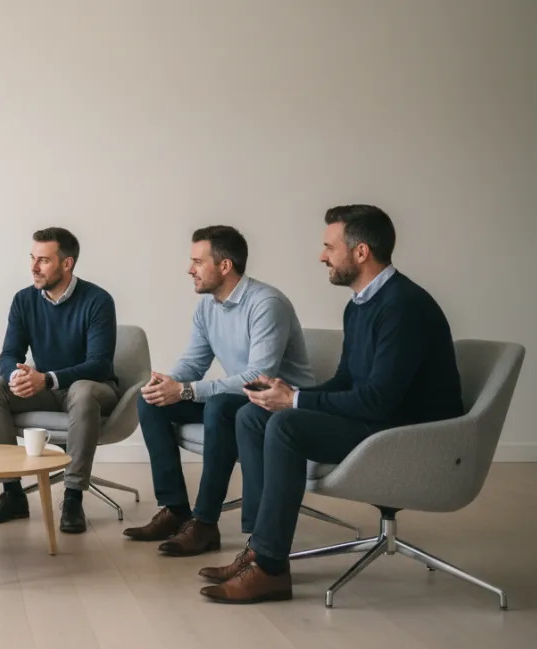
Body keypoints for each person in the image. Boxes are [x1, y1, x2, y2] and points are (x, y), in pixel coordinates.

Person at [199, 204, 464, 604]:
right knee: (255, 414)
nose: (322, 256)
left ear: (361, 252)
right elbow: (346, 381)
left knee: (286, 426)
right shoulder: (359, 304)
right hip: (379, 418)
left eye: (329, 247)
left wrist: (296, 402)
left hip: (409, 432)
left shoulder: (403, 306)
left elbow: (379, 400)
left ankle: (270, 571)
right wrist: (286, 392)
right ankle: (260, 546)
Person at [123, 226, 314, 555]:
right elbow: (193, 363)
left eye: (198, 262)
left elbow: (258, 377)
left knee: (219, 406)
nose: (190, 269)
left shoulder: (267, 304)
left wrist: (185, 391)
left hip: (278, 404)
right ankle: (175, 510)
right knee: (151, 401)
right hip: (240, 399)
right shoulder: (207, 307)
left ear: (225, 266)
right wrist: (168, 384)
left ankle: (205, 522)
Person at [0, 227, 117, 534]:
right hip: (47, 388)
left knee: (81, 391)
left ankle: (73, 497)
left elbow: (99, 365)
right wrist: (17, 376)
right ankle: (12, 493)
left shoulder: (98, 300)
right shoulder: (24, 300)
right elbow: (9, 353)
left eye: (43, 260)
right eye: (32, 258)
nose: (34, 267)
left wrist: (48, 379)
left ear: (67, 264)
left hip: (93, 389)